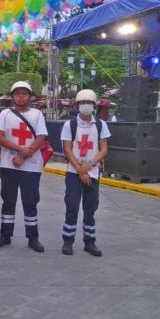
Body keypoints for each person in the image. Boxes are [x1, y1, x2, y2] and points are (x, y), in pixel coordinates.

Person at [0, 81, 48, 252]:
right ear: (13, 96)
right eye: (18, 93)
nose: (21, 96)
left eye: (24, 93)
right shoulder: (5, 114)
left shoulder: (37, 114)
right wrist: (19, 150)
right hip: (9, 164)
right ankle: (5, 234)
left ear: (29, 96)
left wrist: (23, 155)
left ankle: (33, 237)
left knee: (30, 201)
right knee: (8, 200)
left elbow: (40, 138)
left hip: (31, 165)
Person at [60, 89, 110, 257]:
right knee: (72, 206)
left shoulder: (101, 125)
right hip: (74, 173)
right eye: (83, 103)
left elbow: (103, 149)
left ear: (94, 105)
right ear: (77, 105)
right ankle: (68, 242)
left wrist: (89, 166)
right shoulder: (70, 125)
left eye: (89, 102)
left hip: (93, 172)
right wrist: (80, 170)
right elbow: (67, 150)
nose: (86, 106)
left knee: (90, 208)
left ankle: (90, 242)